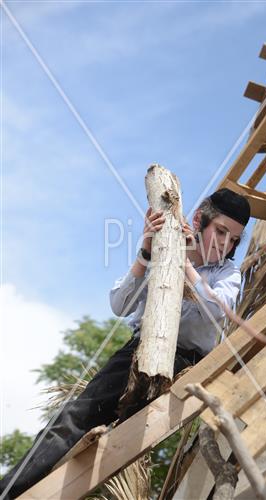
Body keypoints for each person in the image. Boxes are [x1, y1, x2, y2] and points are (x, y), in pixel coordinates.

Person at [0, 188, 250, 499]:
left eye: (234, 239)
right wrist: (146, 253)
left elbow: (217, 310)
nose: (225, 244)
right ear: (200, 219)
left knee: (116, 450)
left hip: (184, 367)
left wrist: (185, 266)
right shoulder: (163, 249)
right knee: (72, 419)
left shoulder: (228, 273)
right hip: (137, 352)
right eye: (221, 231)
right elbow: (120, 305)